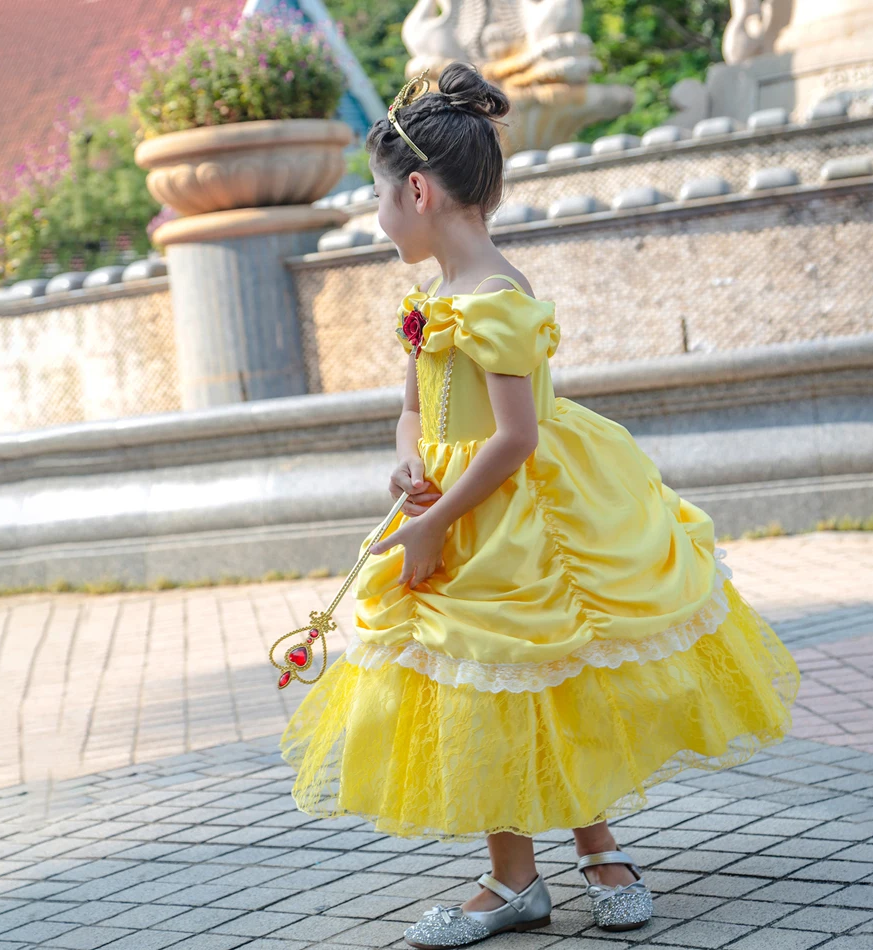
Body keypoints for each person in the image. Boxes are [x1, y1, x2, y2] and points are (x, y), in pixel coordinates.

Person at [281, 62, 799, 949]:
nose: (377, 218)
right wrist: (408, 472)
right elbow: (413, 411)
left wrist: (433, 525)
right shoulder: (428, 300)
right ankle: (516, 878)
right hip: (450, 503)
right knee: (481, 681)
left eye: (378, 197)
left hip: (520, 512)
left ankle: (596, 851)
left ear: (416, 190)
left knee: (546, 670)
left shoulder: (495, 300)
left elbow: (517, 436)